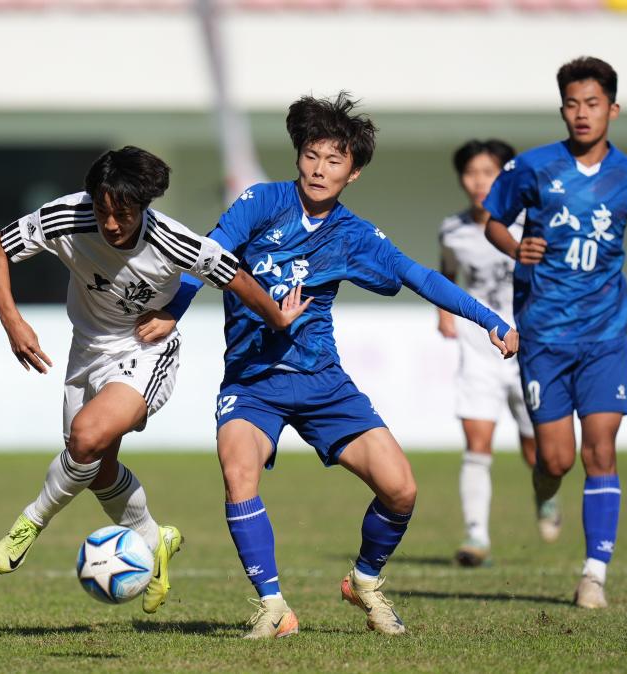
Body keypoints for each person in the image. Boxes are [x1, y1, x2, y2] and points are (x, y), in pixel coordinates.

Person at [157, 92, 519, 638]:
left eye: (333, 160)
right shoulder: (262, 202)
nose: (319, 169)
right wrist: (172, 313)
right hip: (252, 383)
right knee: (238, 473)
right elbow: (207, 254)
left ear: (353, 172)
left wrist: (488, 320)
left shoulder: (353, 235)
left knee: (401, 489)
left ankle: (364, 581)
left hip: (322, 382)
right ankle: (273, 606)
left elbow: (419, 276)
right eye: (311, 155)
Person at [0, 146, 309, 614]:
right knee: (96, 468)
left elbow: (235, 277)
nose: (111, 224)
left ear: (144, 206)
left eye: (124, 214)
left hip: (144, 351)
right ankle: (155, 541)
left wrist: (278, 318)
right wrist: (13, 322)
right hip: (85, 350)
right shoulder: (65, 216)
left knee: (86, 437)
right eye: (103, 211)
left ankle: (31, 521)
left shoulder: (173, 240)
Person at [483, 57, 627, 609]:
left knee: (601, 449)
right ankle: (544, 489)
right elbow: (494, 221)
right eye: (572, 104)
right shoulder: (532, 166)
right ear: (562, 110)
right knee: (557, 459)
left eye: (592, 103)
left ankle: (593, 574)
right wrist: (516, 247)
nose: (582, 113)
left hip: (604, 334)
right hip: (543, 335)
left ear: (612, 110)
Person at [437, 139, 559, 568]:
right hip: (479, 347)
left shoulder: (530, 223)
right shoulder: (452, 230)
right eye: (471, 173)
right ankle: (476, 537)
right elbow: (447, 271)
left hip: (530, 348)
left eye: (487, 173)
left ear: (504, 176)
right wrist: (444, 312)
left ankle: (546, 497)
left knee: (538, 451)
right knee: (477, 442)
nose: (478, 182)